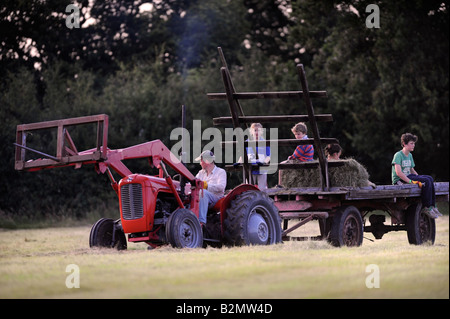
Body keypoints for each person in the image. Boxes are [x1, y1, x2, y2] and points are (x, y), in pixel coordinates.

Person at [391, 133, 442, 218]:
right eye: (411, 143)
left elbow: (412, 170)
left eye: (414, 143)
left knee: (429, 178)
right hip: (400, 180)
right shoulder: (398, 155)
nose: (413, 145)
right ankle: (426, 207)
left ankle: (432, 206)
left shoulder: (410, 155)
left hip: (408, 176)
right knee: (426, 180)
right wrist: (411, 181)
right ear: (404, 143)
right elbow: (398, 173)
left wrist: (420, 178)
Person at [195, 150, 227, 225]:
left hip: (216, 197)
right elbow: (194, 182)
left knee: (203, 193)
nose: (200, 163)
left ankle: (201, 222)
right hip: (203, 196)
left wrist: (207, 186)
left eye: (201, 161)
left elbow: (221, 187)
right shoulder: (201, 173)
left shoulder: (221, 172)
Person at [238, 123, 271, 190]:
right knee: (248, 188)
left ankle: (263, 200)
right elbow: (243, 155)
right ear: (251, 131)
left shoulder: (265, 142)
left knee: (262, 188)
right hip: (250, 168)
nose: (256, 132)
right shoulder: (247, 142)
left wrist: (264, 163)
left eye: (258, 130)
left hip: (262, 169)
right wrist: (239, 162)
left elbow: (268, 156)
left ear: (261, 131)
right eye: (255, 130)